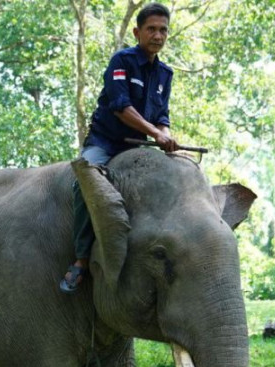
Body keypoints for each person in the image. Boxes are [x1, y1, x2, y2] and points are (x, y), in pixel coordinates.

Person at [60, 2, 178, 294]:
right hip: (106, 142)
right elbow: (120, 107)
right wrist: (156, 133)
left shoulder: (165, 74)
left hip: (140, 147)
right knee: (83, 183)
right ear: (138, 32)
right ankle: (81, 259)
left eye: (163, 30)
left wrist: (166, 137)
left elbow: (162, 116)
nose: (158, 35)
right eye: (151, 29)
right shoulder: (121, 61)